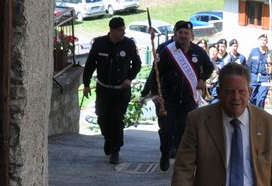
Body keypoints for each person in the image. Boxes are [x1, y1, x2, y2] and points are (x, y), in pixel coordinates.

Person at [142, 20, 214, 172]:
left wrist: (202, 79)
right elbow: (155, 74)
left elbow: (209, 67)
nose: (183, 36)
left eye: (186, 33)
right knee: (166, 129)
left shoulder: (198, 52)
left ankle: (179, 155)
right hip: (169, 98)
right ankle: (165, 152)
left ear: (191, 35)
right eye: (180, 33)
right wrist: (155, 95)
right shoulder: (167, 52)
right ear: (175, 35)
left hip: (188, 100)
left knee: (183, 128)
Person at [82, 17, 144, 164]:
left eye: (124, 29)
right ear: (112, 30)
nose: (123, 32)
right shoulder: (99, 43)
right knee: (102, 118)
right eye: (120, 30)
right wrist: (85, 84)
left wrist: (129, 78)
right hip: (103, 89)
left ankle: (115, 150)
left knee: (116, 119)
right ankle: (108, 138)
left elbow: (136, 64)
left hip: (121, 91)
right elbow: (90, 65)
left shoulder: (129, 44)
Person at [247, 33, 272, 108]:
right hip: (254, 77)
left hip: (265, 78)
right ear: (258, 41)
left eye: (264, 40)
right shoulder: (253, 51)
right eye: (261, 40)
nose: (263, 41)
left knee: (261, 99)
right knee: (251, 98)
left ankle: (260, 116)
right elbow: (248, 65)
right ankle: (253, 114)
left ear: (267, 42)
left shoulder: (271, 53)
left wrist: (271, 70)